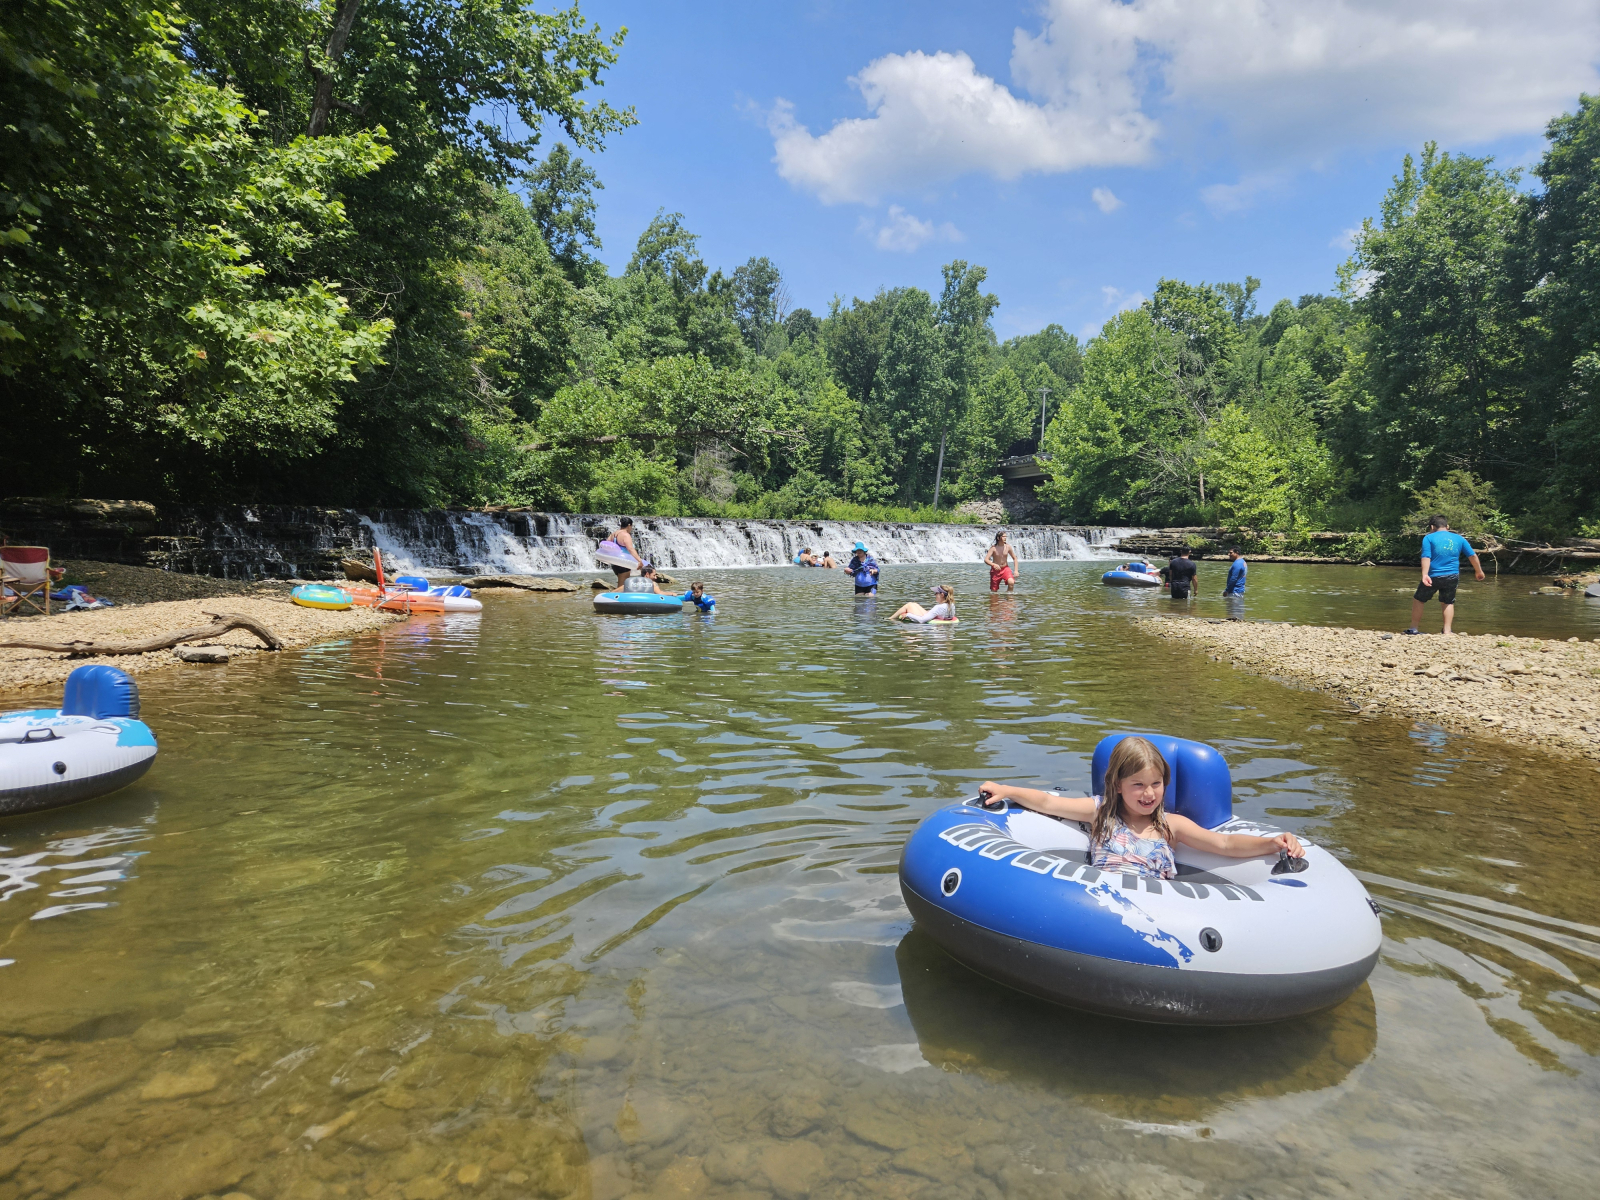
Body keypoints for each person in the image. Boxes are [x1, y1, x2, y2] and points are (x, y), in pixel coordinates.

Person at [977, 735, 1303, 880]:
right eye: (1138, 785)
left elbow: (1224, 843)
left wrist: (1272, 843)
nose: (1148, 794)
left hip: (1156, 908)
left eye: (1156, 784)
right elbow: (1049, 802)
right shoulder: (1101, 812)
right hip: (1104, 900)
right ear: (1118, 785)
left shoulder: (1171, 826)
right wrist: (1006, 790)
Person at [1406, 515, 1485, 635]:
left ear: (1432, 527)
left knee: (1419, 599)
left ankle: (1413, 628)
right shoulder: (1459, 538)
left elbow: (1426, 556)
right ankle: (1447, 631)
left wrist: (1424, 574)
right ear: (1447, 526)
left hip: (1433, 575)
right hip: (1452, 575)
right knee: (1448, 601)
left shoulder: (1428, 538)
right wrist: (1478, 571)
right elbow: (1472, 556)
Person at [891, 585, 955, 623]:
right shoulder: (951, 605)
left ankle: (891, 619)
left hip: (925, 622)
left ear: (942, 595)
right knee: (914, 604)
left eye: (936, 593)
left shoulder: (938, 607)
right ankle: (891, 618)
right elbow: (940, 614)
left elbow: (922, 620)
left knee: (909, 605)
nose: (935, 595)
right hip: (934, 618)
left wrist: (907, 615)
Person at [609, 517, 644, 585]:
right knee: (623, 586)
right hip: (624, 563)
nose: (631, 528)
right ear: (629, 525)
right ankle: (613, 594)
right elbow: (630, 549)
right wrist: (639, 560)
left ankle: (615, 594)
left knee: (622, 584)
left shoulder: (613, 534)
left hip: (615, 563)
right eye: (631, 526)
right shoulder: (625, 535)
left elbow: (607, 544)